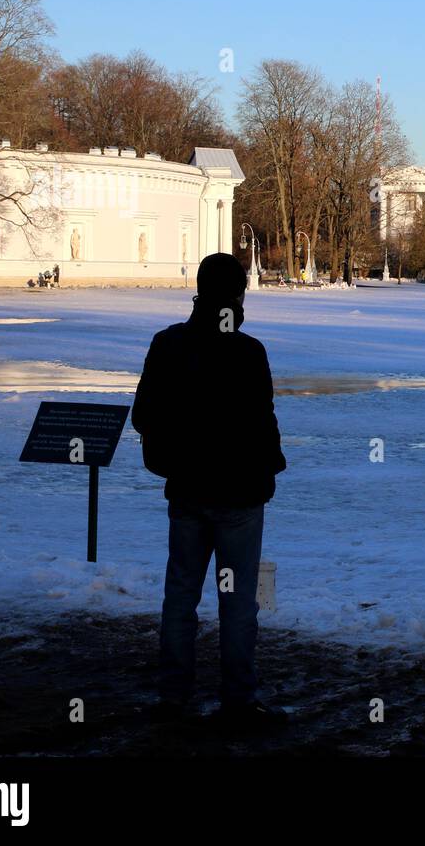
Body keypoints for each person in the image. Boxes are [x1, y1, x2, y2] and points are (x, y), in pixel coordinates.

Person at [131, 252, 288, 726]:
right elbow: (264, 424)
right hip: (239, 495)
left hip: (187, 490)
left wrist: (176, 453)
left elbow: (144, 416)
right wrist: (268, 471)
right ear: (238, 295)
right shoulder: (248, 352)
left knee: (180, 596)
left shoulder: (168, 344)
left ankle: (173, 696)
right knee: (239, 602)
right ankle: (238, 699)